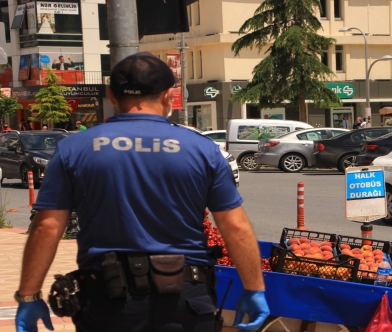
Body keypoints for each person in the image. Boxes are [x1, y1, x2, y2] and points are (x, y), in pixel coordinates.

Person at [15, 52, 270, 332]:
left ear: (112, 95)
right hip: (186, 298)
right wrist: (254, 288)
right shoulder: (203, 150)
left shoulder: (74, 149)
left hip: (108, 301)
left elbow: (47, 227)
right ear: (168, 97)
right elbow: (235, 226)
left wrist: (29, 295)